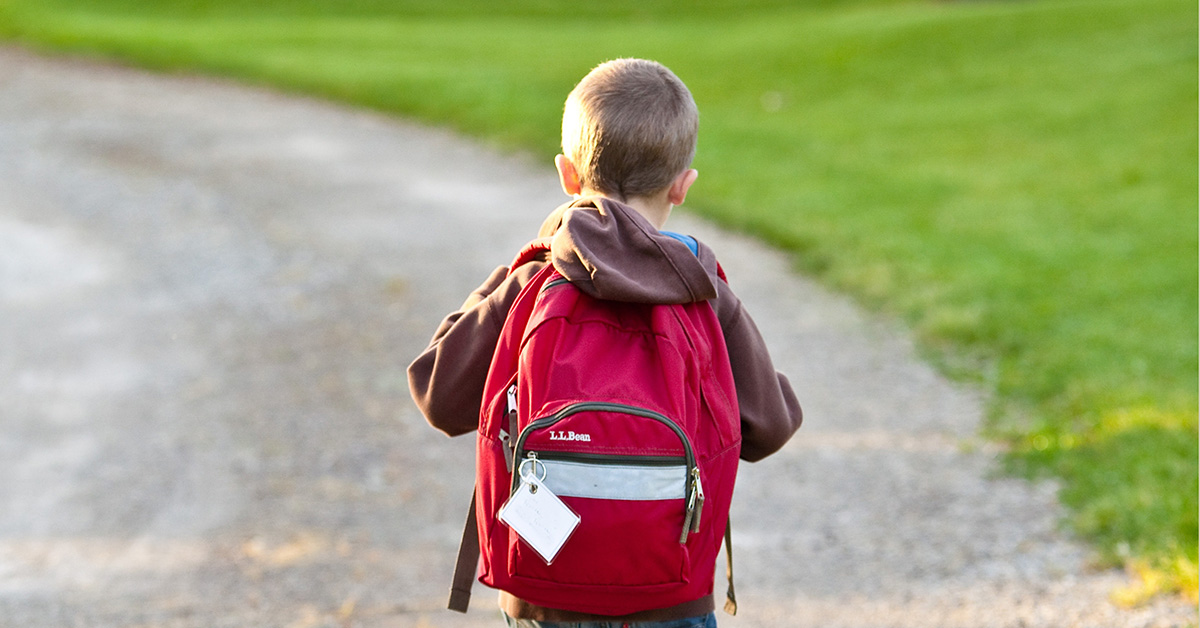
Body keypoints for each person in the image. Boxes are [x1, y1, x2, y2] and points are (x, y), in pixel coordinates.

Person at [408, 58, 802, 628]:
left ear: (567, 175)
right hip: (671, 595)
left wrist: (515, 271)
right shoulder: (702, 289)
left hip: (544, 594)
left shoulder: (535, 280)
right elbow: (770, 427)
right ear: (682, 185)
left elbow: (439, 396)